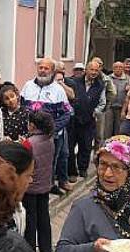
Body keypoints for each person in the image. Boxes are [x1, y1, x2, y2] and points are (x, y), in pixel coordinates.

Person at [21, 58, 73, 195]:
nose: (43, 71)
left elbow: (67, 113)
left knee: (49, 164)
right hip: (30, 135)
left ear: (53, 71)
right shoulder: (27, 86)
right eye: (41, 67)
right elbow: (21, 106)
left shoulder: (58, 90)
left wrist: (51, 129)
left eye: (46, 68)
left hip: (50, 136)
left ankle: (47, 188)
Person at [65, 61, 106, 181]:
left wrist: (96, 112)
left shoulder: (100, 85)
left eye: (96, 70)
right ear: (86, 70)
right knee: (70, 145)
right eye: (91, 70)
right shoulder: (74, 81)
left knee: (86, 146)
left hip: (89, 120)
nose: (93, 73)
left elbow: (102, 102)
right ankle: (71, 171)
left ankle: (83, 169)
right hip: (73, 120)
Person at [23, 111, 54, 252]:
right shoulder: (49, 139)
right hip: (45, 186)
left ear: (33, 125)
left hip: (30, 189)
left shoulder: (29, 143)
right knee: (44, 218)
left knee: (30, 221)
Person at [105, 61, 130, 138]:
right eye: (116, 67)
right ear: (113, 69)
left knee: (119, 130)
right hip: (109, 107)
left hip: (121, 108)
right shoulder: (108, 78)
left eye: (120, 67)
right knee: (107, 130)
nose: (118, 69)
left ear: (123, 68)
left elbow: (129, 94)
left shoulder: (128, 79)